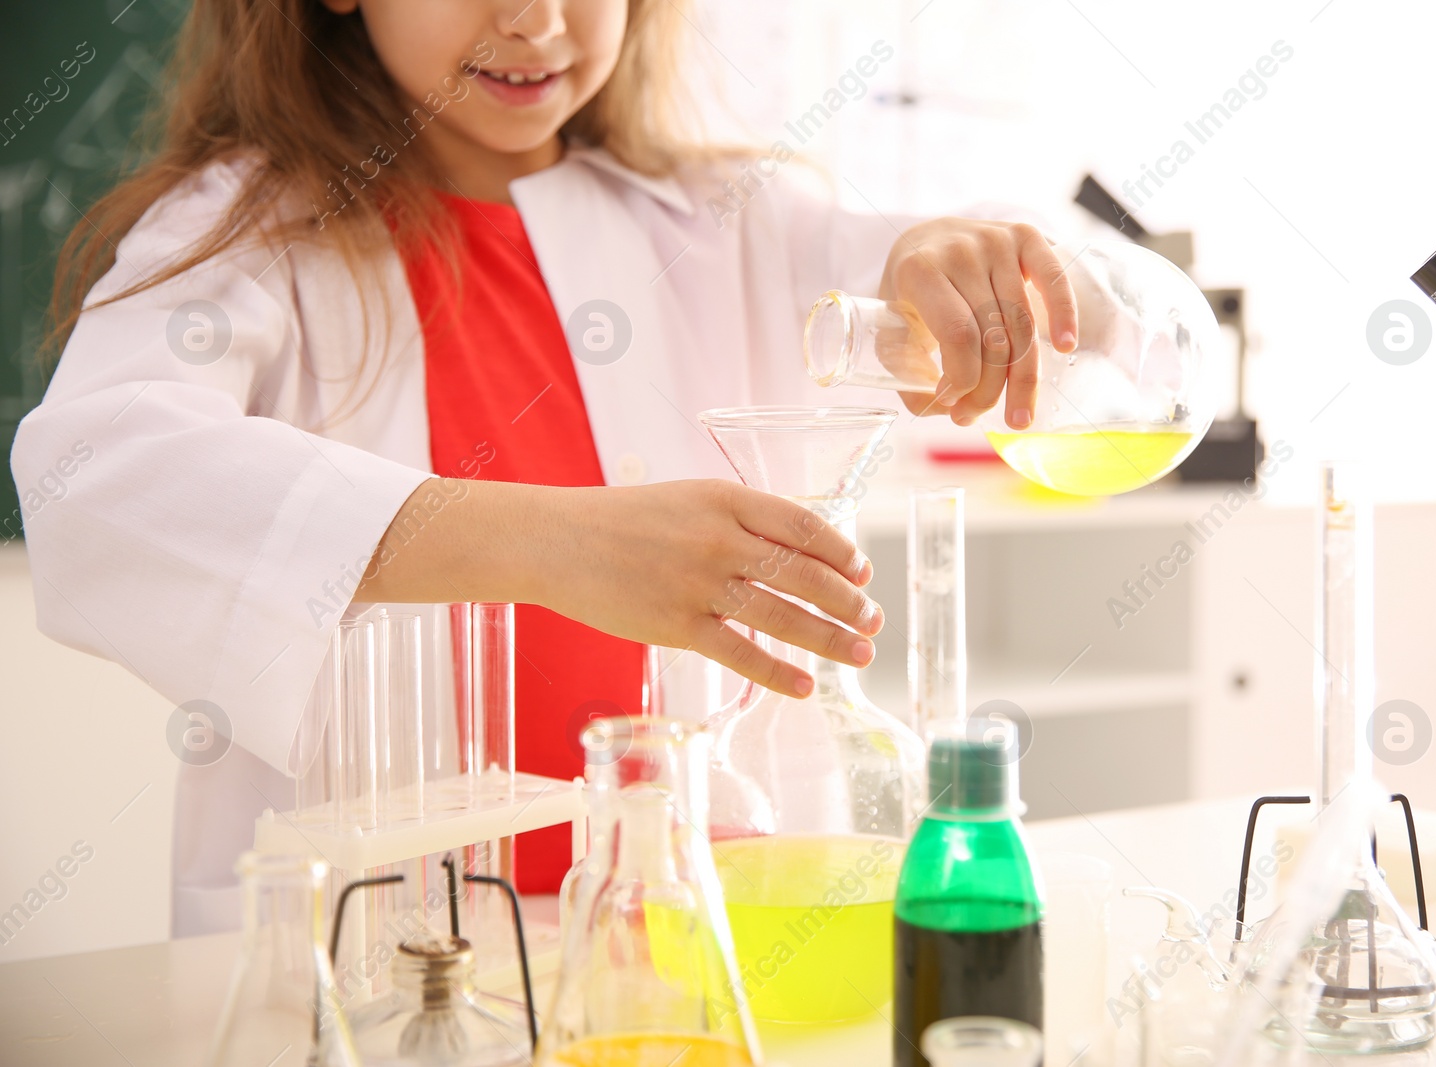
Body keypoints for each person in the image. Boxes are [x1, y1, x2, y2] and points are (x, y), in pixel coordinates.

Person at [12, 0, 1077, 935]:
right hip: (390, 949)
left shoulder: (731, 217)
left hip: (696, 926)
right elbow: (89, 476)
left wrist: (967, 264)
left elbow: (1115, 333)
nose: (537, 19)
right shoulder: (245, 233)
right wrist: (563, 545)